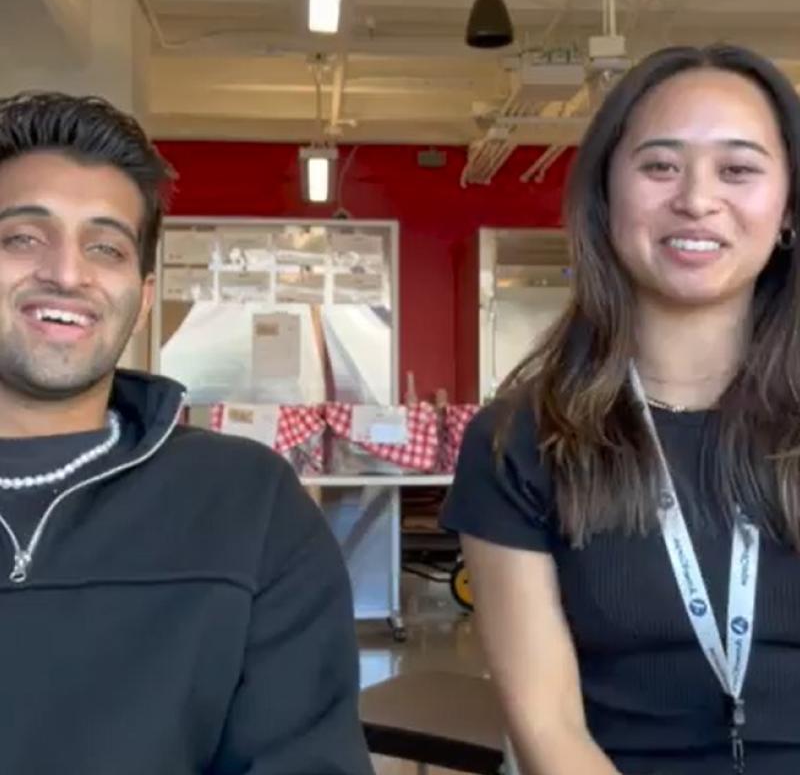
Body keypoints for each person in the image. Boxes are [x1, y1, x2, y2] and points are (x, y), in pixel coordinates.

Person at [442, 43, 800, 775]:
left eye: (738, 169)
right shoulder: (519, 442)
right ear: (607, 200)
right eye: (660, 166)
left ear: (789, 208)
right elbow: (550, 734)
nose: (697, 199)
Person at [0, 92, 373, 775]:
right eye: (23, 237)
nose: (66, 272)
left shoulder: (250, 505)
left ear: (142, 301)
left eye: (106, 246)